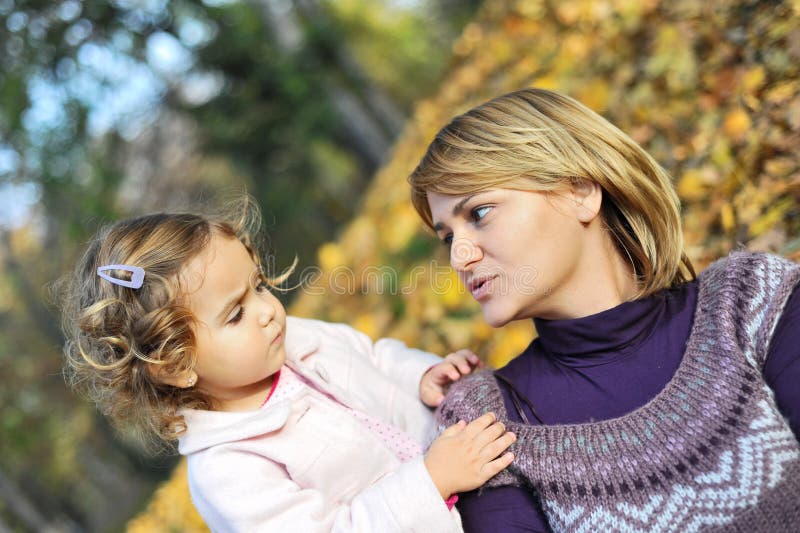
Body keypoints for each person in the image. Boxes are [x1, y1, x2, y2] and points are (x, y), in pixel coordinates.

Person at [408, 88, 800, 532]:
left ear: (580, 191)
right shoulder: (485, 424)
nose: (459, 256)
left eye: (479, 213)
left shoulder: (747, 303)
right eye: (447, 237)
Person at [59, 197, 517, 532]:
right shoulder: (230, 469)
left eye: (258, 285)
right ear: (175, 365)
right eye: (235, 313)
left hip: (472, 470)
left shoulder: (294, 338)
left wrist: (419, 375)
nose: (266, 310)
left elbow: (374, 355)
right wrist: (432, 480)